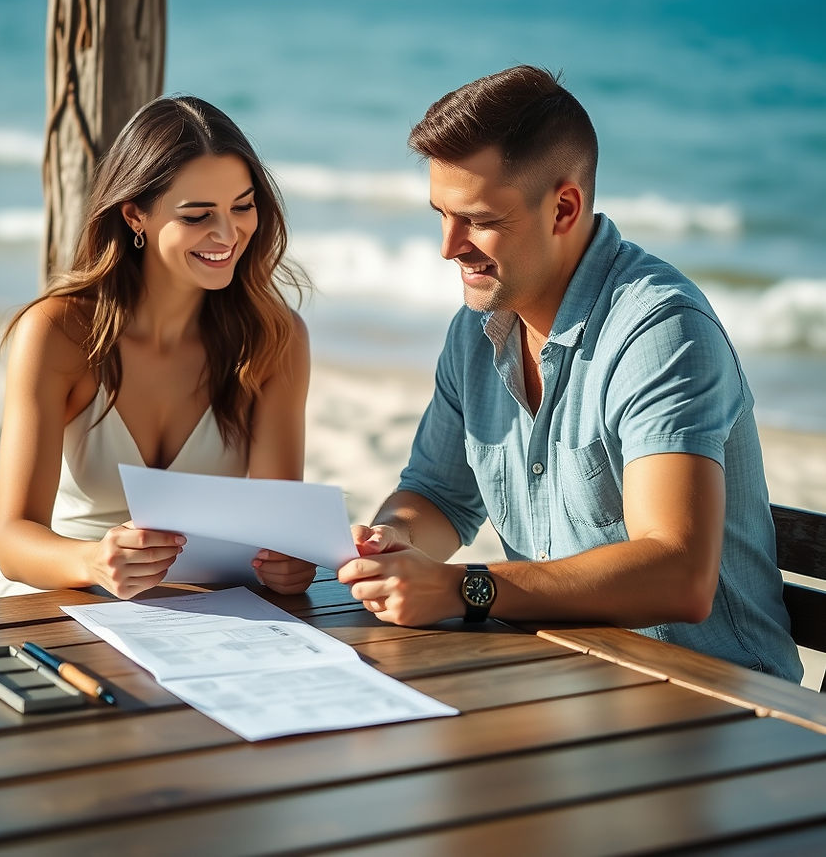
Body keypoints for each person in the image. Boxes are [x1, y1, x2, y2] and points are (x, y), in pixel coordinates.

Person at [338, 65, 802, 681]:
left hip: (717, 703)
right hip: (565, 680)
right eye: (440, 214)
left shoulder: (661, 333)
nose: (448, 246)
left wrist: (466, 589)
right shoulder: (476, 330)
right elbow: (440, 497)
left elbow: (678, 572)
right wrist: (393, 544)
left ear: (563, 207)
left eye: (479, 219)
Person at [0, 96, 314, 600]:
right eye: (198, 215)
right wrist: (93, 560)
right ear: (135, 215)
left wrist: (289, 561)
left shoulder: (274, 338)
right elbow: (13, 541)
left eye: (243, 206)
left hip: (200, 611)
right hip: (60, 596)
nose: (228, 233)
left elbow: (276, 534)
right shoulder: (57, 333)